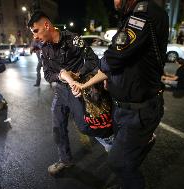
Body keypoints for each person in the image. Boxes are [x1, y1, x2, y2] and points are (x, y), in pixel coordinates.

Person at [71, 0, 169, 188]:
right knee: (122, 160)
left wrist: (103, 68)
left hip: (138, 111)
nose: (114, 1)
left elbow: (116, 54)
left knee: (118, 163)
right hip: (123, 109)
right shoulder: (131, 16)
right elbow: (123, 63)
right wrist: (87, 84)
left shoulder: (144, 12)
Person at [27, 11, 99, 176]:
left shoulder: (73, 39)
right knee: (58, 127)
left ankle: (115, 145)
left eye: (36, 31)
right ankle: (65, 160)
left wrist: (78, 75)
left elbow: (93, 60)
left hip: (78, 91)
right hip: (60, 92)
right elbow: (47, 74)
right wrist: (61, 75)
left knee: (86, 126)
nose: (35, 37)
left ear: (47, 25)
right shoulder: (44, 48)